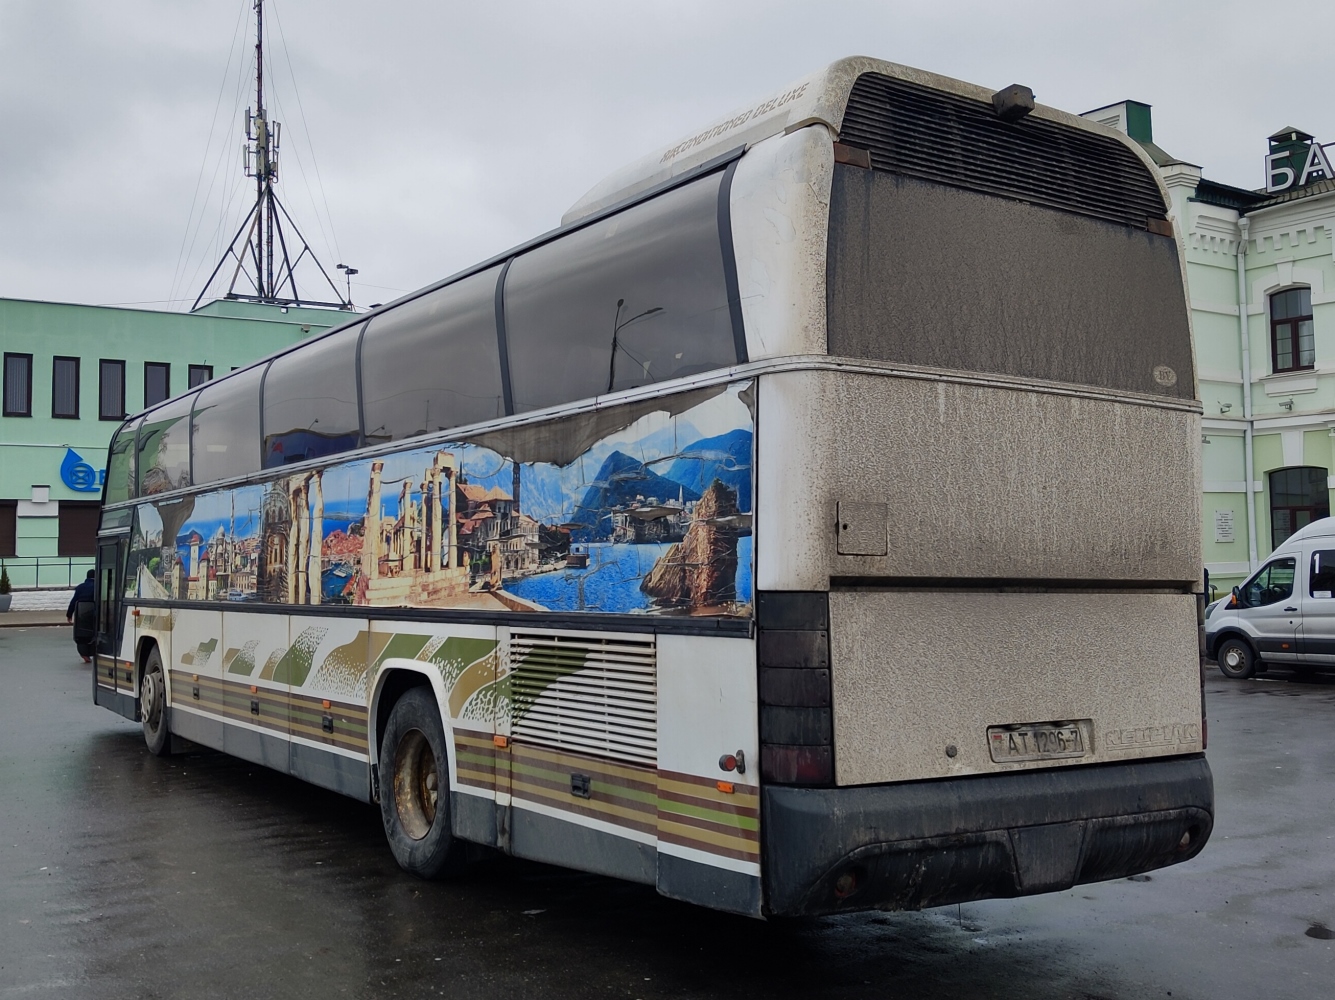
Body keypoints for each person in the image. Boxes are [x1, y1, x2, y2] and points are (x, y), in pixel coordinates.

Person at [66, 570, 96, 663]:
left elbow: (73, 601)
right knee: (95, 632)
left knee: (82, 634)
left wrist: (69, 614)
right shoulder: (98, 586)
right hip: (95, 613)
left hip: (81, 614)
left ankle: (84, 654)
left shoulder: (80, 587)